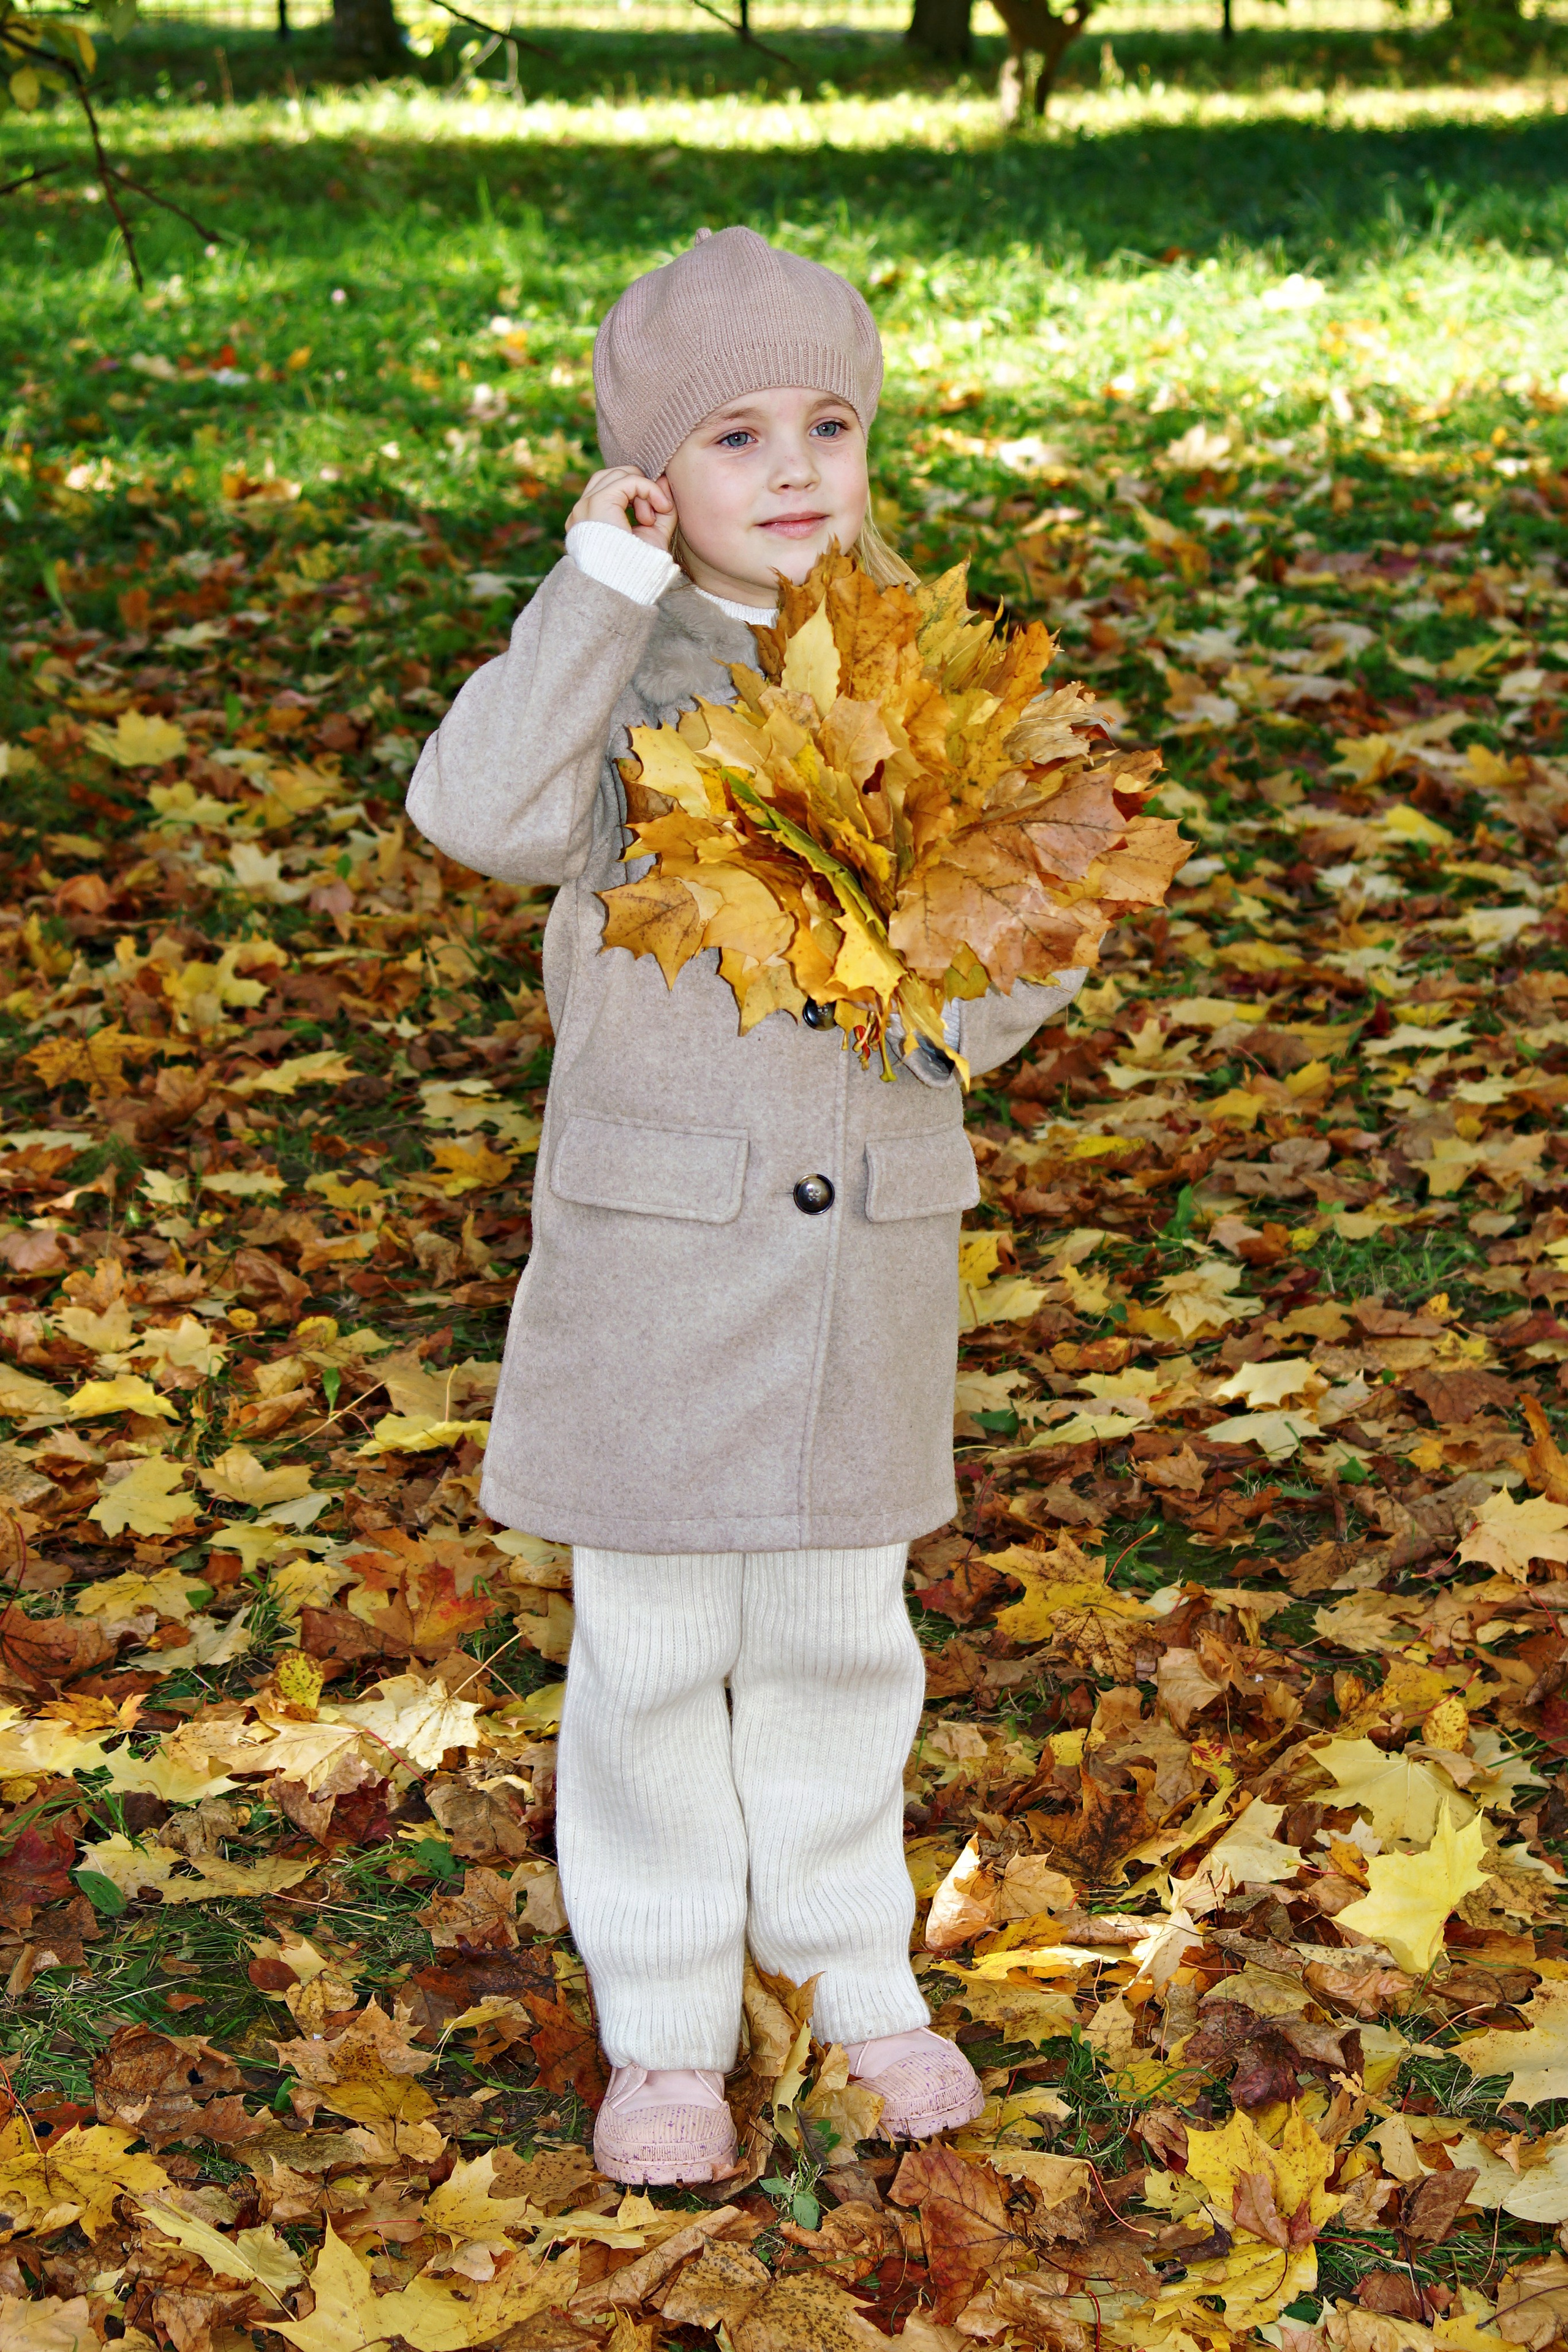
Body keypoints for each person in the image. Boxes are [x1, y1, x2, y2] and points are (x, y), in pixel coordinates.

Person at [405, 225, 1085, 2185]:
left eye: (829, 423)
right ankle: (668, 2022)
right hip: (658, 1261)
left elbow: (1036, 926)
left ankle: (857, 1980)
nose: (793, 468)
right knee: (648, 1654)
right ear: (649, 473)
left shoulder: (926, 670)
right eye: (732, 434)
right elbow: (479, 815)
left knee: (837, 1640)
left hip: (863, 1251)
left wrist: (941, 971)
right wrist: (597, 585)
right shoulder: (617, 669)